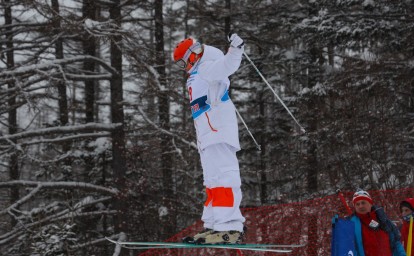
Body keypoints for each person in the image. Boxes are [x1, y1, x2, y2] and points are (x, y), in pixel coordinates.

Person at [172, 34, 245, 244]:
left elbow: (227, 65)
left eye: (184, 62)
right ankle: (214, 225)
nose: (184, 67)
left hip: (218, 132)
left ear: (193, 55)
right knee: (212, 181)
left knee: (225, 177)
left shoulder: (207, 68)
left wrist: (235, 49)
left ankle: (230, 226)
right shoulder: (196, 75)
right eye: (180, 65)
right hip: (207, 137)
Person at [350, 190, 406, 256]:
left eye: (363, 203)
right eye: (357, 204)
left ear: (370, 203)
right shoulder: (351, 224)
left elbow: (396, 242)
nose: (360, 206)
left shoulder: (383, 219)